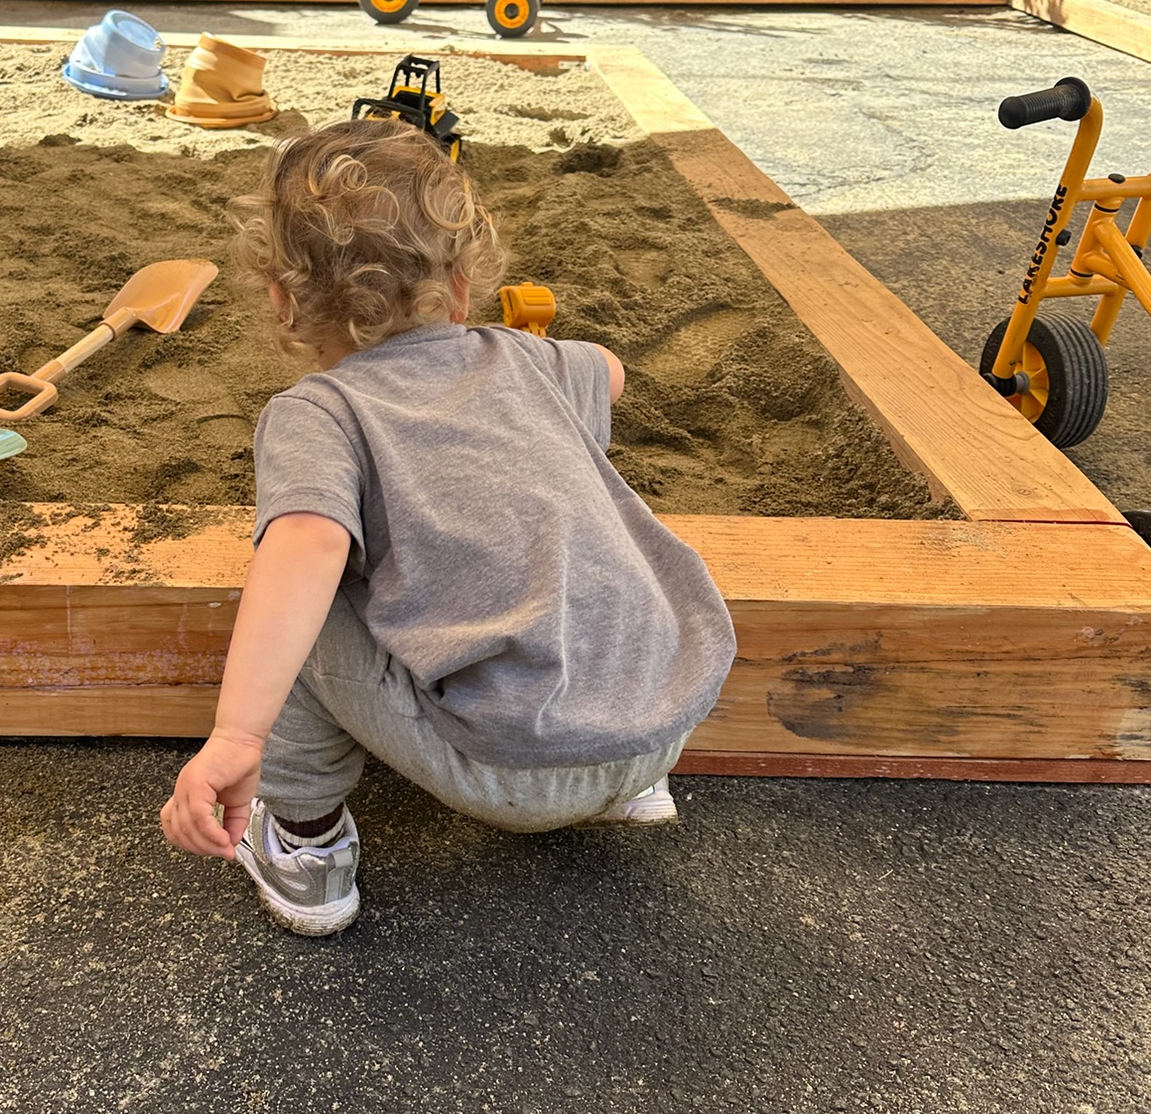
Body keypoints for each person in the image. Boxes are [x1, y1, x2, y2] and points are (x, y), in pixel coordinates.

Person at [160, 118, 736, 935]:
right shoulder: (526, 359)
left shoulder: (319, 414)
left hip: (520, 773)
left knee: (299, 589)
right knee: (592, 503)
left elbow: (307, 549)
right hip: (665, 721)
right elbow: (608, 371)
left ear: (284, 302)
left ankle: (306, 848)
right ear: (462, 285)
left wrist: (234, 734)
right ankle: (631, 789)